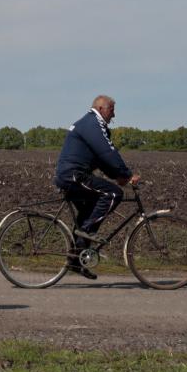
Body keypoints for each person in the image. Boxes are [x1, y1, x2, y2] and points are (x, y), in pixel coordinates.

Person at [54, 95, 140, 279]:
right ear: (101, 109)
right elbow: (107, 152)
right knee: (113, 193)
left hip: (72, 175)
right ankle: (86, 233)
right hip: (74, 176)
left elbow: (102, 160)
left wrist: (118, 175)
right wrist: (126, 174)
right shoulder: (93, 123)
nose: (114, 115)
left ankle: (76, 260)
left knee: (89, 209)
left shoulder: (91, 124)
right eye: (112, 110)